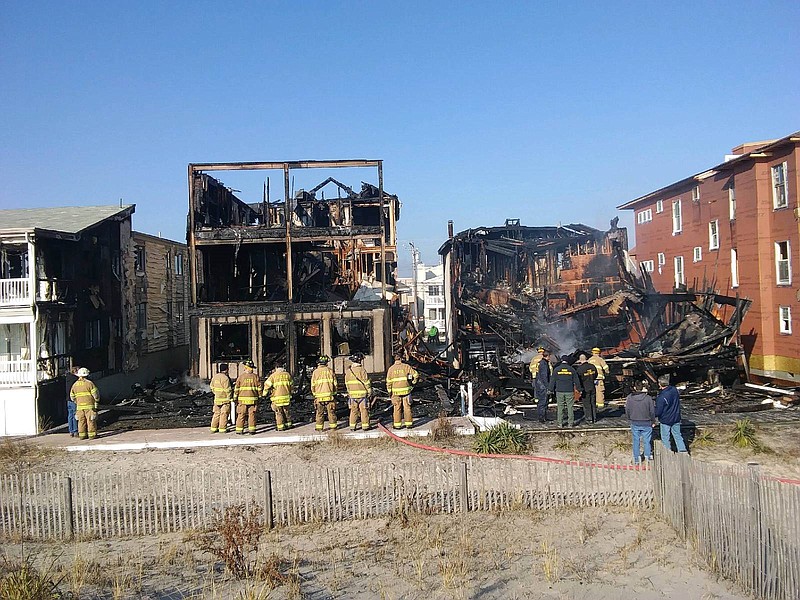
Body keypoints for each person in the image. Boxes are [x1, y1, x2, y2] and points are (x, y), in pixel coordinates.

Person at [625, 380, 655, 464]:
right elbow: (652, 411)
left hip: (635, 422)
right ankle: (648, 457)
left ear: (634, 388)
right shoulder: (648, 398)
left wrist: (629, 419)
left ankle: (636, 459)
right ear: (642, 388)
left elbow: (627, 409)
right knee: (647, 440)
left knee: (636, 441)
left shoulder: (629, 398)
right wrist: (653, 421)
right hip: (646, 422)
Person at [385, 354, 419, 429]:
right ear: (401, 358)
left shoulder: (391, 369)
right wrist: (413, 382)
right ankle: (409, 424)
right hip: (406, 391)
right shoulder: (406, 366)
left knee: (397, 408)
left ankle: (397, 425)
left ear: (394, 359)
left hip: (395, 393)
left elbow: (388, 382)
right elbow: (416, 375)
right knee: (407, 407)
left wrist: (389, 392)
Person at [655, 375, 687, 453]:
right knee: (678, 436)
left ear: (660, 384)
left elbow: (658, 411)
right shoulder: (674, 389)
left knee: (665, 438)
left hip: (666, 419)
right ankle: (683, 451)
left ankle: (667, 453)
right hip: (676, 417)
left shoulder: (662, 397)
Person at [548, 355, 580, 428]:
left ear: (561, 360)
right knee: (570, 407)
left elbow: (552, 381)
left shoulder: (557, 369)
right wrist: (579, 389)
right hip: (569, 391)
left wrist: (550, 389)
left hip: (559, 391)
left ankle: (560, 423)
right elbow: (576, 380)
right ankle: (570, 424)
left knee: (560, 407)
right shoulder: (571, 369)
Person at [70, 367, 99, 440]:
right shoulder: (89, 383)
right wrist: (96, 401)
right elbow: (96, 394)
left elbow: (72, 396)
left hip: (79, 407)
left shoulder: (75, 385)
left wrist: (77, 402)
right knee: (90, 421)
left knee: (81, 422)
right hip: (89, 407)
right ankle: (92, 435)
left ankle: (82, 435)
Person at [263, 364, 294, 431]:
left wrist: (264, 395)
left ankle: (280, 427)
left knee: (278, 412)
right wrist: (291, 393)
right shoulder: (287, 375)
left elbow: (267, 385)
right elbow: (292, 386)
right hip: (286, 397)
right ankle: (289, 424)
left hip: (277, 398)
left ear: (276, 367)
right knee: (286, 411)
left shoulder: (273, 376)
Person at [345, 353, 371, 431]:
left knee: (353, 411)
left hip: (352, 395)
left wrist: (349, 392)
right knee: (364, 411)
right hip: (362, 395)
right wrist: (369, 391)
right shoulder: (362, 370)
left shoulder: (348, 371)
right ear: (359, 361)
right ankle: (365, 427)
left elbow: (347, 383)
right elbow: (366, 382)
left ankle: (352, 427)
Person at [234, 360, 261, 434]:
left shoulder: (241, 377)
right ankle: (252, 430)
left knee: (241, 414)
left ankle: (239, 430)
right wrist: (260, 396)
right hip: (253, 400)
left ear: (245, 368)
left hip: (242, 400)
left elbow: (236, 389)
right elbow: (259, 388)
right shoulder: (255, 377)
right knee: (252, 415)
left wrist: (235, 398)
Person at [311, 355, 338, 431]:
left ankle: (319, 428)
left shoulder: (315, 372)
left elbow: (313, 385)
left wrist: (314, 394)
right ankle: (333, 427)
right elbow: (335, 384)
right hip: (329, 396)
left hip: (319, 397)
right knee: (331, 413)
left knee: (319, 413)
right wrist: (334, 393)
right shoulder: (330, 371)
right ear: (326, 362)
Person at [209, 363, 233, 433]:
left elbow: (212, 387)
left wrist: (216, 394)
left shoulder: (215, 377)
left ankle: (213, 428)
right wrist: (230, 398)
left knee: (216, 413)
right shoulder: (225, 378)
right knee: (224, 414)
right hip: (225, 399)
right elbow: (228, 389)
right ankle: (222, 429)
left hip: (217, 399)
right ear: (226, 370)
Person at [575, 354, 598, 424]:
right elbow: (596, 375)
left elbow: (578, 379)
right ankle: (594, 418)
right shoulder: (592, 366)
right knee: (593, 403)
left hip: (585, 388)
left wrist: (579, 388)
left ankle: (589, 419)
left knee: (586, 404)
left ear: (580, 360)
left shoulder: (580, 369)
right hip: (592, 387)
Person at [534, 349, 551, 423]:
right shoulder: (544, 364)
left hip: (539, 383)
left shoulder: (541, 362)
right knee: (543, 401)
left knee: (543, 401)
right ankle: (541, 418)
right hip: (543, 385)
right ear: (547, 356)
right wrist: (548, 386)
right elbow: (544, 376)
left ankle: (543, 416)